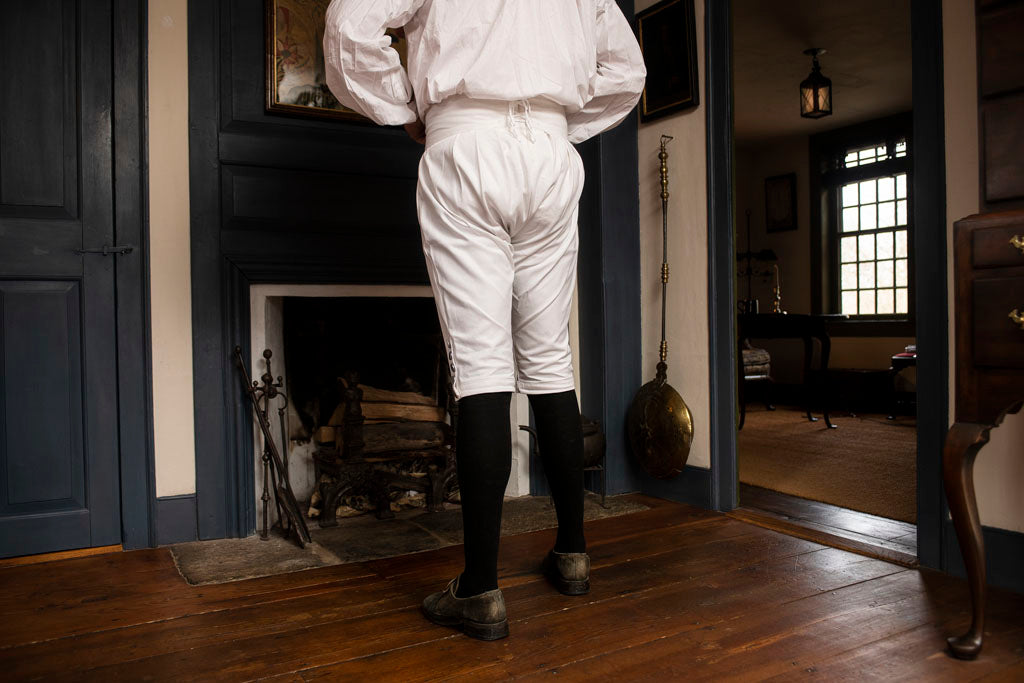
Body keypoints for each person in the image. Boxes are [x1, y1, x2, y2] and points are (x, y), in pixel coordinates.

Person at [323, 0, 645, 640]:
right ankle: (573, 555)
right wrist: (554, 119)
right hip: (551, 159)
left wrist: (405, 107)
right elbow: (626, 71)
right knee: (551, 360)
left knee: (481, 370)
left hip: (465, 146)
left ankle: (481, 590)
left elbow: (350, 24)